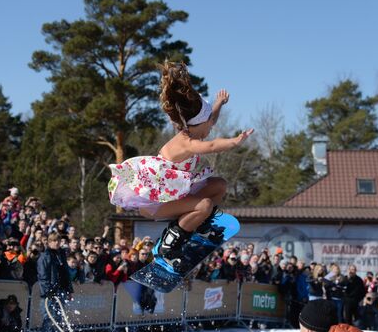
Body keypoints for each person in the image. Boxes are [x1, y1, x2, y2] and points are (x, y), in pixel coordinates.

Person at [108, 61, 253, 270]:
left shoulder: (195, 129)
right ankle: (168, 245)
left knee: (219, 185)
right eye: (208, 125)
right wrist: (234, 141)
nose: (210, 129)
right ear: (198, 124)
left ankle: (197, 225)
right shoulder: (187, 141)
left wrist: (218, 103)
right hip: (157, 202)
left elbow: (210, 121)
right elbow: (212, 145)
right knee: (204, 204)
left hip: (176, 192)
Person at [37, 233, 73, 332]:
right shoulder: (45, 256)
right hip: (49, 292)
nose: (56, 243)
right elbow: (42, 276)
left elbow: (66, 273)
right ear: (49, 242)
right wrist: (48, 291)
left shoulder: (61, 255)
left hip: (61, 290)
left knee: (59, 318)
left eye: (58, 240)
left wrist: (69, 289)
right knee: (48, 318)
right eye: (54, 241)